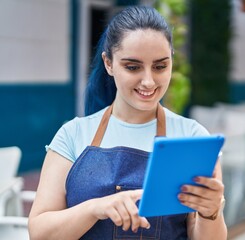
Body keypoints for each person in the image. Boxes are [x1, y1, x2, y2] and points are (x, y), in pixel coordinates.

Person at [28, 5, 227, 240]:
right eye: (133, 67)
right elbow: (39, 233)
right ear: (109, 63)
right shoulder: (72, 134)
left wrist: (211, 212)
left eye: (160, 66)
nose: (148, 81)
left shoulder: (193, 137)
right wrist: (96, 208)